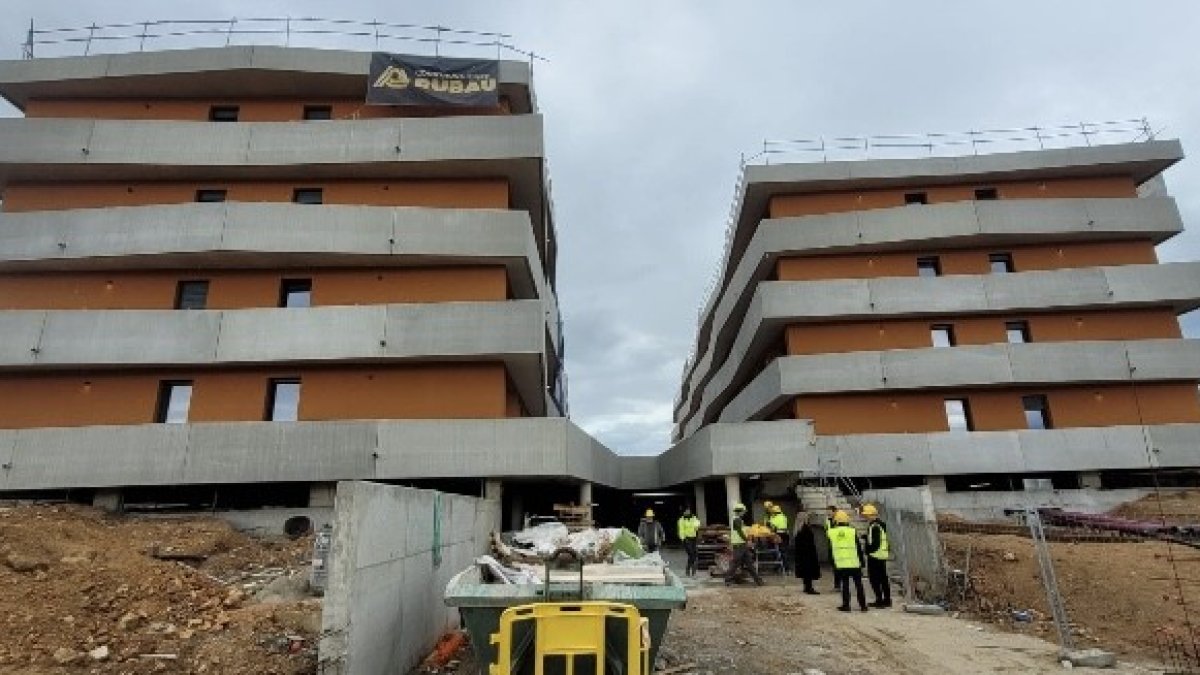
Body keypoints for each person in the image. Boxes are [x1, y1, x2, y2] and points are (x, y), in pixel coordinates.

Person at [827, 510, 868, 612]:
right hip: (854, 562)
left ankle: (846, 606)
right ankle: (863, 606)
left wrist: (832, 563)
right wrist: (862, 562)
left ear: (836, 521)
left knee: (845, 585)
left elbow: (830, 549)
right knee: (859, 585)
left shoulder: (831, 532)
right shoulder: (852, 531)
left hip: (841, 564)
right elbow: (858, 548)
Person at [725, 503, 764, 586]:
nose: (744, 513)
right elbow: (740, 531)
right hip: (739, 544)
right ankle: (728, 579)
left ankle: (758, 580)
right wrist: (747, 540)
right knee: (736, 563)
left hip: (741, 544)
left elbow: (742, 529)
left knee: (749, 563)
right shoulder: (737, 520)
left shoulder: (738, 520)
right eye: (743, 511)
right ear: (740, 511)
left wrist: (750, 529)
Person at [861, 503, 892, 608]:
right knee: (883, 579)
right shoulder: (880, 525)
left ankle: (880, 600)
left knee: (875, 579)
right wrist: (866, 537)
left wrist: (867, 550)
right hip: (881, 555)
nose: (865, 517)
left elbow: (876, 543)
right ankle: (886, 600)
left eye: (866, 515)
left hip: (875, 555)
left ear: (871, 515)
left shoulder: (874, 527)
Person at [793, 511, 821, 595]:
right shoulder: (805, 529)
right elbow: (809, 542)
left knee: (804, 571)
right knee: (808, 570)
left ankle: (806, 586)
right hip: (808, 553)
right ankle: (809, 587)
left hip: (801, 554)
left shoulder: (797, 529)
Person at [677, 507, 701, 576]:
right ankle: (691, 569)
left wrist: (697, 525)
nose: (687, 513)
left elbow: (697, 525)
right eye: (686, 512)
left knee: (694, 554)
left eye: (688, 511)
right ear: (684, 512)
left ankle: (689, 569)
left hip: (693, 538)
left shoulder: (694, 518)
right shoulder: (681, 520)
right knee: (691, 554)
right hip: (686, 539)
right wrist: (683, 539)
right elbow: (681, 530)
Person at [768, 504, 790, 571]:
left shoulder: (774, 518)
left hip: (778, 535)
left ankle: (778, 566)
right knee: (784, 551)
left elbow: (772, 528)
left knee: (777, 550)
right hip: (785, 534)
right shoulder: (784, 516)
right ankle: (786, 567)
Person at [825, 504, 841, 592]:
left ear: (834, 512)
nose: (828, 513)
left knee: (839, 566)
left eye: (829, 512)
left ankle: (839, 584)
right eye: (827, 512)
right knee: (834, 565)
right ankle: (837, 585)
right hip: (831, 544)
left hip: (838, 545)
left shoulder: (839, 520)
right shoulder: (828, 520)